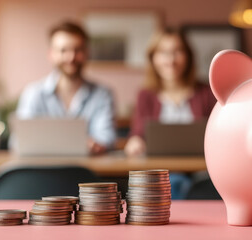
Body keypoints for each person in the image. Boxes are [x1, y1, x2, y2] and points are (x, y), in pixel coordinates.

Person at [124, 28, 217, 199]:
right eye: (163, 53)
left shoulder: (207, 92)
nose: (171, 60)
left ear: (188, 56)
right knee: (173, 183)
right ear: (153, 58)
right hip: (159, 174)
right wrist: (134, 142)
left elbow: (219, 133)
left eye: (177, 52)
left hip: (202, 174)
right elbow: (137, 133)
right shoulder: (145, 95)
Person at [16, 21, 116, 155]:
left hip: (87, 173)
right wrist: (79, 144)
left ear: (87, 53)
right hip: (42, 172)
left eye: (77, 50)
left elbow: (106, 137)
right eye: (63, 50)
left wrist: (96, 145)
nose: (71, 57)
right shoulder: (33, 93)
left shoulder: (102, 94)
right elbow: (19, 140)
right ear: (51, 54)